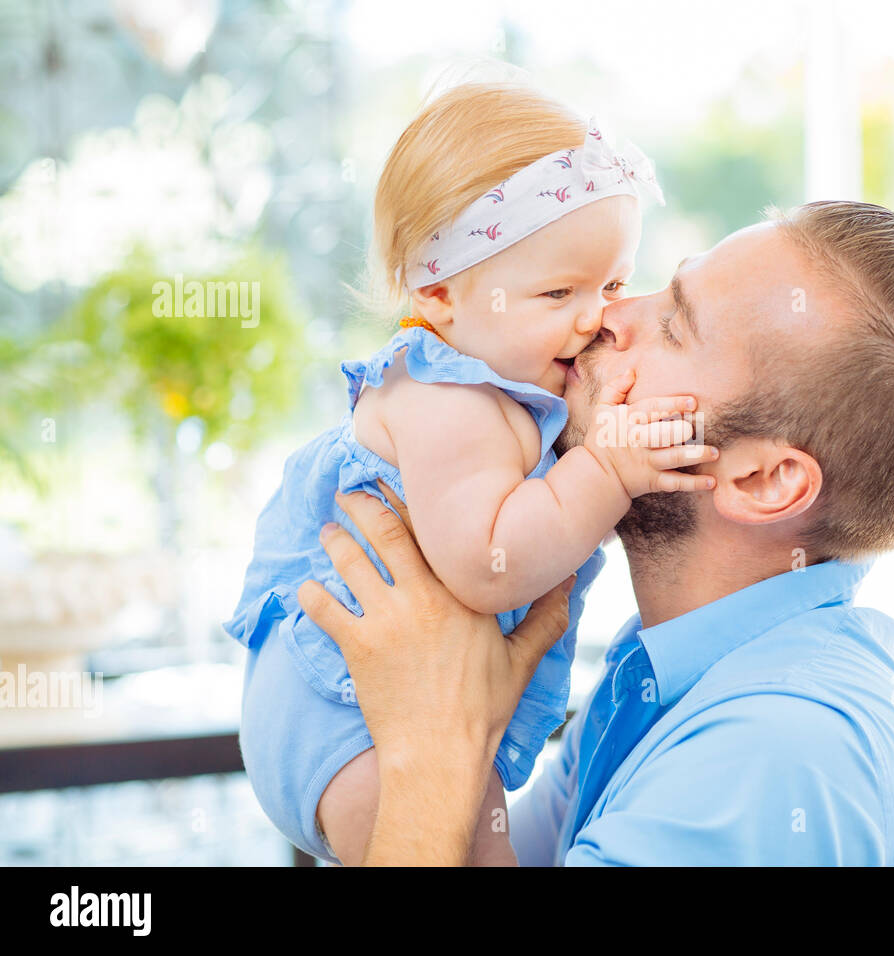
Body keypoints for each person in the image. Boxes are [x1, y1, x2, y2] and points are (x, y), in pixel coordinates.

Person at [300, 199, 894, 865]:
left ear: (760, 481)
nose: (607, 317)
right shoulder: (671, 677)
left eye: (674, 327)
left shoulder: (769, 755)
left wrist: (429, 751)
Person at [223, 82, 711, 866]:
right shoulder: (451, 401)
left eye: (613, 285)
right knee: (468, 827)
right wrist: (608, 468)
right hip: (347, 722)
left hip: (357, 713)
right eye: (559, 292)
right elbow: (490, 566)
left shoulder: (500, 389)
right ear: (439, 292)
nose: (595, 318)